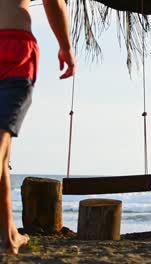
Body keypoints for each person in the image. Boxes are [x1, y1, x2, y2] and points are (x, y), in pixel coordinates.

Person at [0, 0, 75, 254]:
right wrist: (65, 47)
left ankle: (10, 235)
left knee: (3, 155)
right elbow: (53, 2)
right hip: (15, 47)